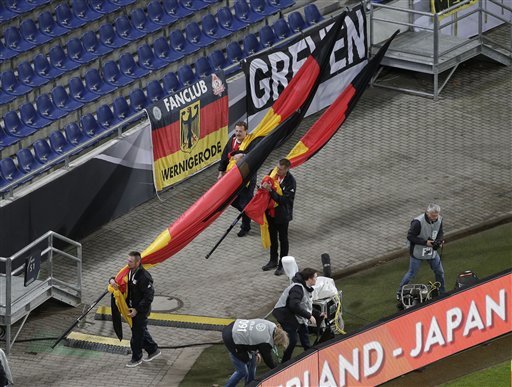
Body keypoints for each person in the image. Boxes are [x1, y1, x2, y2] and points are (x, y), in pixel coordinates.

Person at [109, 251, 161, 368]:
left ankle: (136, 358)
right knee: (140, 331)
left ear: (138, 262)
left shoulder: (144, 277)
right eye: (127, 260)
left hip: (140, 311)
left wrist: (137, 309)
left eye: (130, 261)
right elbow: (116, 277)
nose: (128, 263)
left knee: (136, 336)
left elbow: (148, 297)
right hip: (131, 309)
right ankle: (153, 350)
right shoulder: (128, 271)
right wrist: (112, 281)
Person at [272, 268, 324, 363]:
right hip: (285, 314)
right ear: (309, 279)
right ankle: (285, 363)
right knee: (292, 340)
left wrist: (318, 313)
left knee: (304, 336)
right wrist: (309, 316)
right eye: (316, 277)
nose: (317, 279)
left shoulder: (306, 288)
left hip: (294, 315)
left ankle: (310, 357)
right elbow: (293, 305)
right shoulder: (297, 288)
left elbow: (306, 305)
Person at [218, 121, 258, 237]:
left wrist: (242, 155)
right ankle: (251, 212)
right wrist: (221, 172)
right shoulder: (232, 140)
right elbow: (225, 156)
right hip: (231, 176)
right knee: (229, 200)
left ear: (246, 131)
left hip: (247, 177)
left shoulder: (251, 142)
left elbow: (253, 156)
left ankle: (245, 227)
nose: (238, 133)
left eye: (240, 131)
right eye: (236, 131)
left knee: (245, 202)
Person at [397, 203, 446, 299]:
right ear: (427, 213)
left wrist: (439, 241)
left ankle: (442, 292)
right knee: (412, 273)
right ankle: (400, 292)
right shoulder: (417, 222)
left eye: (436, 215)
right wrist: (425, 242)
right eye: (433, 216)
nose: (435, 218)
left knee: (440, 272)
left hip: (431, 251)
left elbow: (440, 232)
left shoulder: (439, 219)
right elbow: (410, 237)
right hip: (418, 252)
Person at [222, 318, 289, 387]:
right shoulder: (266, 342)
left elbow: (254, 335)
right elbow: (268, 361)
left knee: (252, 362)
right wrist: (279, 369)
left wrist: (256, 352)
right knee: (242, 371)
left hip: (234, 325)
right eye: (277, 345)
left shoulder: (272, 325)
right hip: (231, 338)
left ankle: (250, 385)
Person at [261, 158, 296, 276]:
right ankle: (273, 260)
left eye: (280, 169)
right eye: (277, 168)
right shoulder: (273, 173)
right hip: (270, 213)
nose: (277, 171)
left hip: (282, 215)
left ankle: (283, 264)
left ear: (287, 169)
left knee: (283, 239)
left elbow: (284, 200)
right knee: (272, 238)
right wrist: (261, 188)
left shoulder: (291, 182)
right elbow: (265, 185)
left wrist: (270, 190)